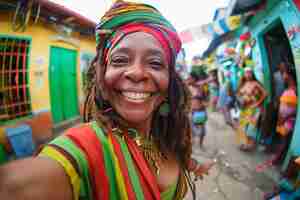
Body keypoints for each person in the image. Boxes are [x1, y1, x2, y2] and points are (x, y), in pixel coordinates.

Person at [0, 1, 214, 200]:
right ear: (102, 75)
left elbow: (177, 156)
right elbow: (16, 186)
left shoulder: (167, 132)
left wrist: (194, 165)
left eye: (155, 63)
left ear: (169, 81)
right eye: (120, 60)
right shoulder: (87, 147)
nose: (137, 73)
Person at [236, 67, 267, 151]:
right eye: (246, 73)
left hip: (254, 108)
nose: (248, 74)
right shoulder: (242, 84)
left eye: (250, 73)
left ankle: (250, 145)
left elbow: (265, 93)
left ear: (252, 74)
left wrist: (258, 103)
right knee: (243, 126)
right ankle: (245, 144)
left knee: (251, 127)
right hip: (244, 109)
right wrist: (241, 100)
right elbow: (238, 94)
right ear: (244, 74)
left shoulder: (255, 83)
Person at [187, 70, 209, 149]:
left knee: (202, 131)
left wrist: (204, 106)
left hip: (199, 112)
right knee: (190, 131)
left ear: (194, 79)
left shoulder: (201, 88)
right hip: (191, 112)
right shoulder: (188, 88)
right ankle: (191, 144)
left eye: (190, 78)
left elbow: (206, 100)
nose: (188, 79)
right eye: (188, 78)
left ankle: (201, 145)